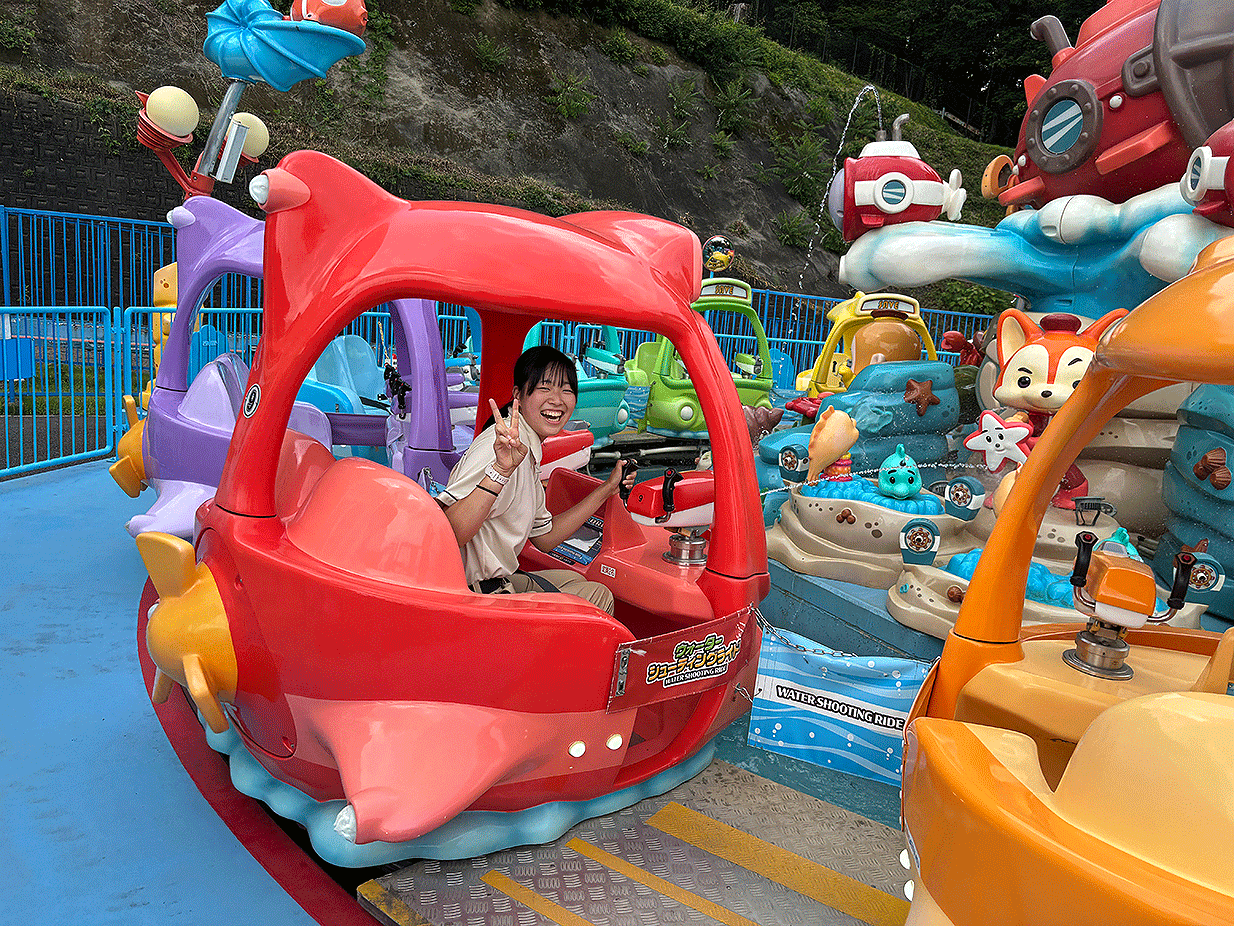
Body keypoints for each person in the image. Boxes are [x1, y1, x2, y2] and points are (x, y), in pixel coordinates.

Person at [437, 345, 633, 614]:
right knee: (598, 596)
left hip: (492, 578)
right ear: (518, 394)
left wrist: (607, 489)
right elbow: (450, 533)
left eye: (566, 390)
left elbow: (545, 538)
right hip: (472, 594)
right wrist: (500, 471)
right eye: (545, 388)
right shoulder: (499, 449)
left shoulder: (527, 450)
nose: (557, 400)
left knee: (574, 580)